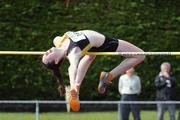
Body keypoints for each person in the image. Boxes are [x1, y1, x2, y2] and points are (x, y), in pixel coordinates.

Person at [42, 30, 145, 111]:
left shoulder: (58, 42)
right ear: (56, 60)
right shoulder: (73, 53)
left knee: (90, 56)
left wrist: (63, 53)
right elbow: (72, 67)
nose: (46, 52)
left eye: (45, 53)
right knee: (140, 55)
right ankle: (109, 76)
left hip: (91, 47)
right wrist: (72, 84)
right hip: (106, 43)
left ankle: (77, 88)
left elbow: (56, 39)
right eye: (47, 55)